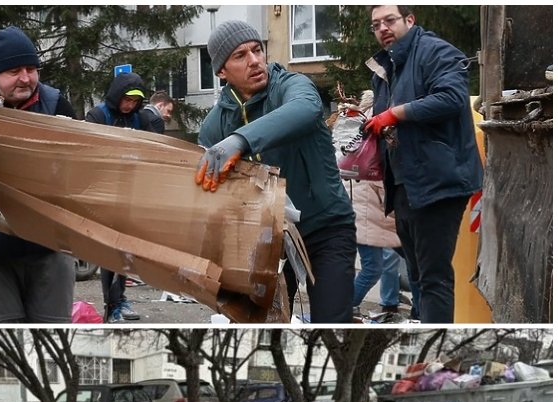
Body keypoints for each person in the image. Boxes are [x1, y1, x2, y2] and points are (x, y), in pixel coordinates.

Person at [196, 20, 357, 323]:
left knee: (333, 325)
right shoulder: (214, 125)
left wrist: (240, 140)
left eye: (257, 50)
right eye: (240, 55)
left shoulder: (291, 86)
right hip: (265, 240)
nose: (254, 61)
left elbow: (306, 109)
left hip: (326, 228)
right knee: (255, 324)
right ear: (221, 72)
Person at [366, 5, 483, 324]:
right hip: (405, 183)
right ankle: (427, 332)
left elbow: (452, 98)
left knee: (433, 278)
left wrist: (394, 114)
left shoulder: (435, 51)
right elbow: (383, 120)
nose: (383, 28)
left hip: (439, 180)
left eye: (389, 20)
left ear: (409, 20)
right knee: (418, 275)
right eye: (376, 24)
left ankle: (437, 347)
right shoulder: (386, 67)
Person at [0, 26, 77, 324]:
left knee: (53, 331)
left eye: (31, 69)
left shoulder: (56, 104)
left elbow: (77, 174)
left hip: (49, 246)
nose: (26, 78)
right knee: (3, 331)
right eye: (14, 71)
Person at [85, 72, 161, 323]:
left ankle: (120, 300)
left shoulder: (141, 119)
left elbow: (155, 149)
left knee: (125, 253)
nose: (129, 105)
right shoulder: (98, 116)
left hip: (131, 194)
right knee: (110, 252)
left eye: (135, 101)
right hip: (104, 193)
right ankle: (112, 305)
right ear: (117, 96)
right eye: (126, 100)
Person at [332, 90, 404, 317]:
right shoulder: (374, 130)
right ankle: (342, 309)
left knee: (390, 262)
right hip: (368, 208)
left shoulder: (360, 128)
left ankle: (391, 303)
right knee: (376, 266)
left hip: (366, 207)